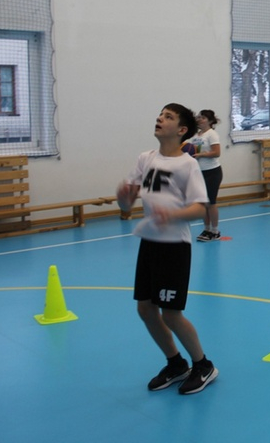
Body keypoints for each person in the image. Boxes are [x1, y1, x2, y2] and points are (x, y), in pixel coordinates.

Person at [116, 103, 218, 395]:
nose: (160, 119)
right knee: (146, 309)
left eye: (168, 117)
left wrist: (171, 215)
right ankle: (175, 363)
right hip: (150, 243)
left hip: (174, 247)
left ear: (182, 130)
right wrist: (123, 197)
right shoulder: (145, 158)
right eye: (160, 115)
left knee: (171, 314)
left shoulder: (187, 165)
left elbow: (199, 208)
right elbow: (126, 206)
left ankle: (203, 365)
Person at [190, 109, 223, 242]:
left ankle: (215, 231)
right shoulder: (196, 135)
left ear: (210, 121)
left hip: (212, 172)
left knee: (211, 202)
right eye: (199, 117)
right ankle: (206, 229)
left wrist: (201, 155)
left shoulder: (212, 134)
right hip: (200, 172)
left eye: (203, 118)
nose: (200, 119)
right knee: (203, 203)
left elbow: (216, 153)